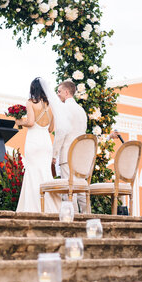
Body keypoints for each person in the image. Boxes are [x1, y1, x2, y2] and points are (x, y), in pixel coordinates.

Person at [16, 78, 62, 213]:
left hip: (34, 141)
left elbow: (30, 122)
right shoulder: (51, 106)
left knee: (32, 172)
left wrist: (20, 122)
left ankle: (33, 207)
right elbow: (50, 129)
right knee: (45, 172)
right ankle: (51, 206)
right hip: (46, 142)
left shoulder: (30, 103)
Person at [52, 80, 88, 213]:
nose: (57, 94)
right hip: (81, 156)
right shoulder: (82, 110)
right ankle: (87, 219)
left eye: (59, 91)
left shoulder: (64, 108)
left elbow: (61, 132)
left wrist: (54, 154)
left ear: (67, 92)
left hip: (67, 154)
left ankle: (72, 220)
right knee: (81, 190)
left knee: (69, 189)